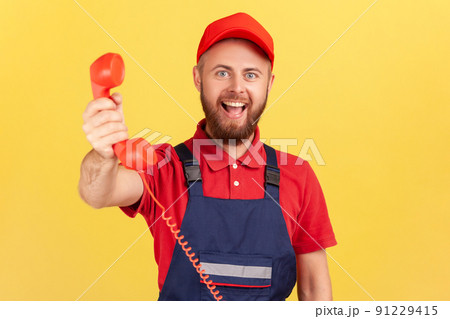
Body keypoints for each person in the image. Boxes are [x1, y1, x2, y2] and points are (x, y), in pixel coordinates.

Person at [79, 12, 337, 301]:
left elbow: (315, 290)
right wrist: (104, 154)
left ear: (269, 84)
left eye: (251, 74)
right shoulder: (165, 167)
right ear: (198, 78)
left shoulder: (298, 175)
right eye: (222, 72)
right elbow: (97, 193)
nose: (237, 87)